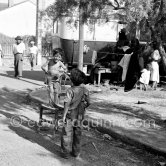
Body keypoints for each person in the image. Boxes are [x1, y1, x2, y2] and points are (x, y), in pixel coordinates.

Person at [61, 68, 90, 159]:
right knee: (78, 134)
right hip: (80, 116)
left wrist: (64, 115)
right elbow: (88, 102)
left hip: (70, 115)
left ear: (72, 81)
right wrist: (84, 107)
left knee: (67, 134)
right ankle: (76, 152)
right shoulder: (85, 90)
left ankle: (65, 153)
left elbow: (66, 104)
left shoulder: (70, 90)